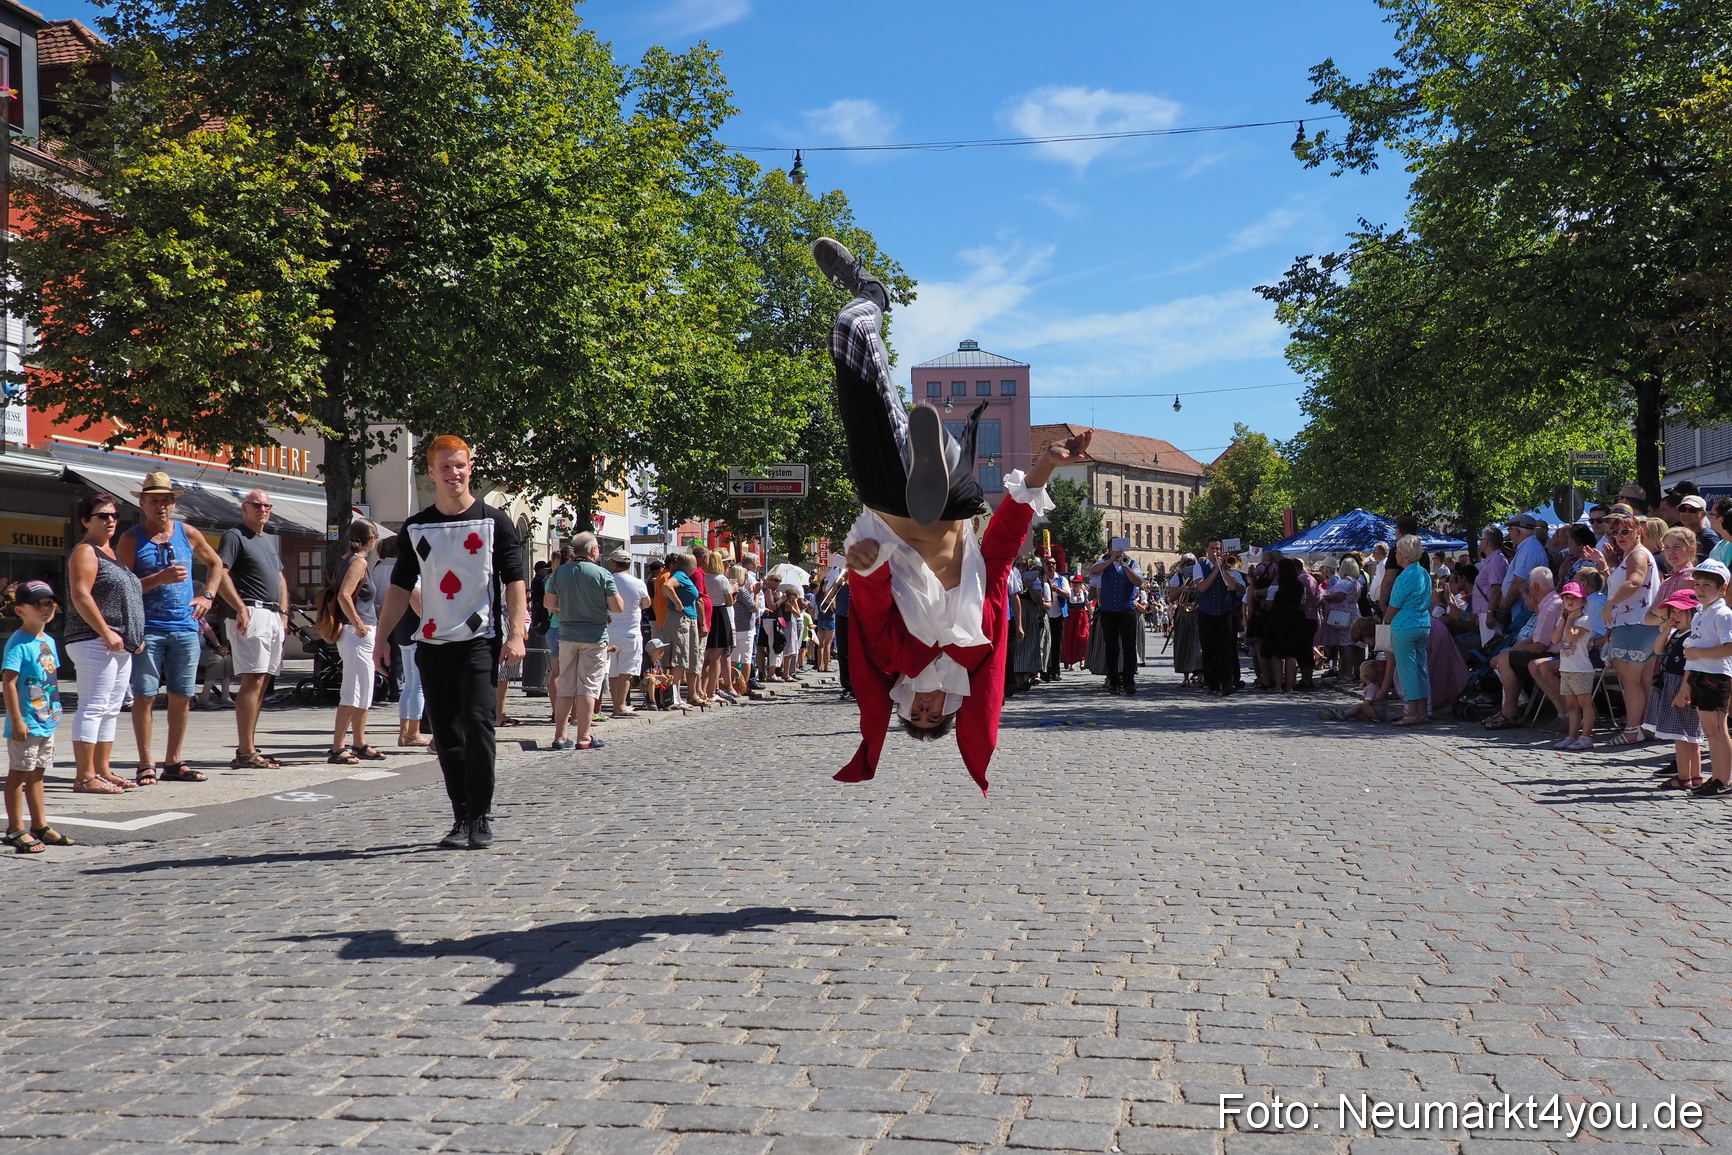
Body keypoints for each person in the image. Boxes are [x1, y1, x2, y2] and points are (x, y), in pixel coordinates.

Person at [813, 234, 1087, 791]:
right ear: (952, 710)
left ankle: (870, 294)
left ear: (903, 706)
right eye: (933, 717)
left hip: (886, 504)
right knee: (947, 489)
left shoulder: (894, 654)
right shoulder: (980, 641)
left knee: (849, 334)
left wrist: (863, 564)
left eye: (914, 715)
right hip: (958, 507)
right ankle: (941, 453)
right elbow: (1002, 551)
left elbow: (868, 604)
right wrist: (1045, 465)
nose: (925, 709)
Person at [374, 435, 528, 850]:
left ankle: (481, 814)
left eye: (459, 465)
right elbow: (401, 586)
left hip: (480, 639)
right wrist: (382, 638)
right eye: (444, 467)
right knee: (446, 734)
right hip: (433, 642)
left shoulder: (495, 521)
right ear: (432, 472)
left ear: (470, 467)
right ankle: (461, 815)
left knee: (479, 725)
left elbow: (515, 579)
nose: (453, 473)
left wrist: (516, 632)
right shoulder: (417, 526)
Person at [116, 471, 232, 783]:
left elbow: (217, 563)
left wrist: (207, 595)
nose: (161, 506)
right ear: (141, 503)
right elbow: (122, 588)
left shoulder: (187, 533)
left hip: (185, 627)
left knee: (182, 695)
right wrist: (159, 579)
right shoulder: (131, 538)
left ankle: (174, 761)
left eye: (166, 500)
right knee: (145, 695)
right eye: (154, 500)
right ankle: (145, 763)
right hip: (148, 629)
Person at [64, 492, 145, 794]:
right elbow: (80, 594)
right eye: (102, 516)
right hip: (93, 640)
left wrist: (132, 635)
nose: (111, 520)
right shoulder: (86, 551)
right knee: (93, 706)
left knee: (111, 708)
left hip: (119, 644)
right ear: (86, 521)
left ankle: (102, 770)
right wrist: (106, 631)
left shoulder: (111, 554)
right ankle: (84, 776)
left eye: (113, 515)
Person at [218, 489, 291, 769]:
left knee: (263, 682)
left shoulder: (267, 540)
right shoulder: (235, 536)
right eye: (257, 505)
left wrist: (283, 612)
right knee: (253, 679)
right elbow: (220, 572)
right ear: (244, 508)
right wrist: (239, 607)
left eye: (267, 506)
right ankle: (245, 750)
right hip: (252, 611)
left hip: (272, 614)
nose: (263, 509)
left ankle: (249, 746)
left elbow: (280, 577)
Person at [2, 582, 72, 854]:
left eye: (50, 603)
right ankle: (15, 827)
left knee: (38, 773)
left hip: (46, 720)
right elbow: (9, 683)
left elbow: (48, 679)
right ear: (20, 610)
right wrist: (17, 719)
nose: (46, 609)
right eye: (38, 604)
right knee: (19, 773)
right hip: (26, 722)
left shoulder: (49, 641)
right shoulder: (18, 643)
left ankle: (39, 824)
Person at [543, 532, 623, 750]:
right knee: (588, 686)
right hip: (594, 636)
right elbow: (617, 607)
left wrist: (568, 608)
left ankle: (560, 737)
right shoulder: (602, 574)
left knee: (565, 685)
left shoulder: (559, 573)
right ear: (593, 550)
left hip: (567, 635)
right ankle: (584, 737)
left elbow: (548, 602)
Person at [328, 520, 383, 765]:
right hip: (356, 633)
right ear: (371, 539)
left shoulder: (346, 559)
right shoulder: (358, 562)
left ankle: (359, 742)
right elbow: (343, 595)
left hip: (356, 633)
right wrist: (359, 624)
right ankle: (338, 747)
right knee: (353, 689)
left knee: (364, 689)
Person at [1602, 513, 1659, 746]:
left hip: (1632, 626)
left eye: (1625, 531)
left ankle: (1633, 729)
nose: (1619, 536)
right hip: (1643, 626)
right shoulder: (1637, 554)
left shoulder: (1637, 554)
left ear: (1638, 532)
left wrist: (1609, 602)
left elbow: (1635, 581)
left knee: (1630, 682)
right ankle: (1647, 727)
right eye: (1615, 532)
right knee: (1644, 680)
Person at [373, 537, 429, 748]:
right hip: (415, 630)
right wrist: (429, 620)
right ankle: (412, 732)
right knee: (418, 685)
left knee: (410, 685)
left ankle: (405, 732)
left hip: (404, 629)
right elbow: (415, 595)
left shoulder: (395, 568)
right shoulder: (412, 571)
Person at [1682, 559, 1732, 797]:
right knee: (1709, 730)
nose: (1700, 589)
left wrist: (1697, 653)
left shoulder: (1722, 614)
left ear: (1722, 588)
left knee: (1717, 730)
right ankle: (1717, 777)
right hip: (1701, 674)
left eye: (1707, 585)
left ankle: (1723, 779)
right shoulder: (1702, 612)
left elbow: (1729, 647)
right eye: (1697, 584)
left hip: (1716, 676)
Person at [1650, 589, 1702, 788]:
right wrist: (1665, 630)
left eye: (1681, 611)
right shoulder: (1676, 633)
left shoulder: (1692, 636)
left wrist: (1683, 690)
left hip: (1682, 686)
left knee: (1683, 735)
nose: (1675, 616)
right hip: (1672, 684)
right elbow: (1658, 650)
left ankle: (1684, 776)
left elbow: (1690, 665)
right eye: (1672, 611)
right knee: (1688, 735)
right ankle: (1695, 776)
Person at [1386, 535, 1434, 725]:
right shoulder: (1423, 573)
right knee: (1421, 669)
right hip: (1423, 623)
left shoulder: (1404, 576)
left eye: (1398, 552)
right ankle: (1422, 711)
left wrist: (1386, 619)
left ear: (1404, 555)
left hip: (1404, 625)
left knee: (1407, 670)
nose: (1396, 555)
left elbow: (1393, 605)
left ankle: (1411, 712)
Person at [1089, 544, 1144, 695]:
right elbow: (1093, 571)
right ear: (1109, 549)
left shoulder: (1132, 563)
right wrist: (1111, 559)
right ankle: (1113, 682)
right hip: (1108, 611)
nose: (1119, 551)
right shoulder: (1103, 564)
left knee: (1129, 647)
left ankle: (1129, 681)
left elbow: (1138, 582)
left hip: (1126, 610)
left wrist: (1124, 565)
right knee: (1111, 647)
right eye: (1115, 547)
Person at [1193, 540, 1243, 695]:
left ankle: (1228, 682)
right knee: (1209, 649)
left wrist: (1224, 569)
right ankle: (1212, 683)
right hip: (1206, 613)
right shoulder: (1199, 567)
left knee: (1227, 648)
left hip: (1225, 612)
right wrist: (1216, 569)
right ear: (1207, 549)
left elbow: (1234, 587)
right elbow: (1202, 587)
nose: (1215, 551)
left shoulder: (1229, 566)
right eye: (1212, 548)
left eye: (1218, 548)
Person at [1551, 582, 1596, 750]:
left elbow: (1571, 638)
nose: (1570, 601)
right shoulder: (1565, 620)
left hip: (1581, 669)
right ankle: (1571, 735)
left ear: (1583, 601)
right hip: (1566, 669)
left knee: (1585, 703)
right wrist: (1564, 620)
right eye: (1566, 598)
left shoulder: (1584, 620)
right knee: (1571, 705)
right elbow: (1555, 639)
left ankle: (1586, 736)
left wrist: (1569, 620)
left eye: (1575, 598)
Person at [607, 549, 650, 719]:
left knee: (612, 672)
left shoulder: (607, 580)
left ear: (614, 563)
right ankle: (621, 705)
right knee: (626, 671)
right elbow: (646, 604)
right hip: (630, 631)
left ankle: (615, 704)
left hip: (610, 630)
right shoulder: (638, 583)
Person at [1678, 494, 1720, 562]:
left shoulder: (1708, 537)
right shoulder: (1681, 535)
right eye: (1683, 509)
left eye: (1692, 510)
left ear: (1703, 514)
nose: (1686, 513)